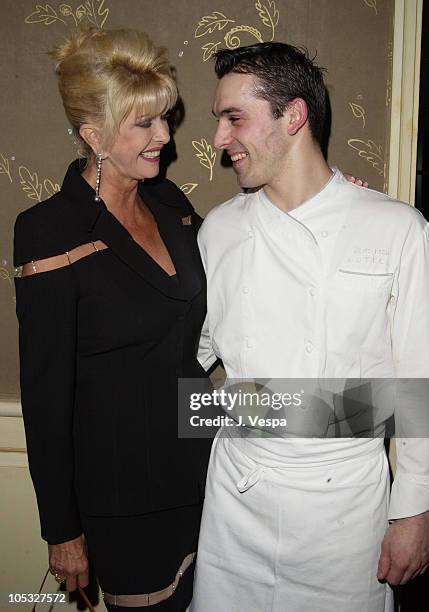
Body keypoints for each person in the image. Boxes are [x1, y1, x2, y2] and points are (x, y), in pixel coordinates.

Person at [191, 42, 429, 612]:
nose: (220, 140)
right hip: (236, 501)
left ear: (293, 116)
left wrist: (414, 510)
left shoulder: (396, 228)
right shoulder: (217, 232)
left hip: (344, 510)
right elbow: (191, 356)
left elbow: (418, 382)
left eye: (234, 119)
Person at [14, 28, 211, 611]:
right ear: (94, 136)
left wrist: (328, 208)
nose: (165, 137)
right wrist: (62, 530)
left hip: (204, 472)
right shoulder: (49, 229)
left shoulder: (172, 205)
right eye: (145, 124)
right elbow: (46, 393)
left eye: (164, 118)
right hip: (124, 498)